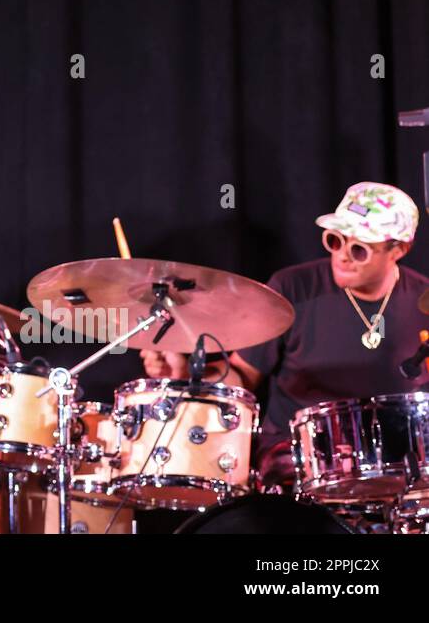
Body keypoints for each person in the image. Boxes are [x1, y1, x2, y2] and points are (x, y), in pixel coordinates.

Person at [143, 181, 429, 488]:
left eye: (359, 249)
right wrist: (188, 374)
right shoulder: (294, 288)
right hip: (296, 462)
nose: (342, 256)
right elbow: (243, 374)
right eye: (335, 241)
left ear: (398, 249)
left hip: (398, 466)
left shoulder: (423, 301)